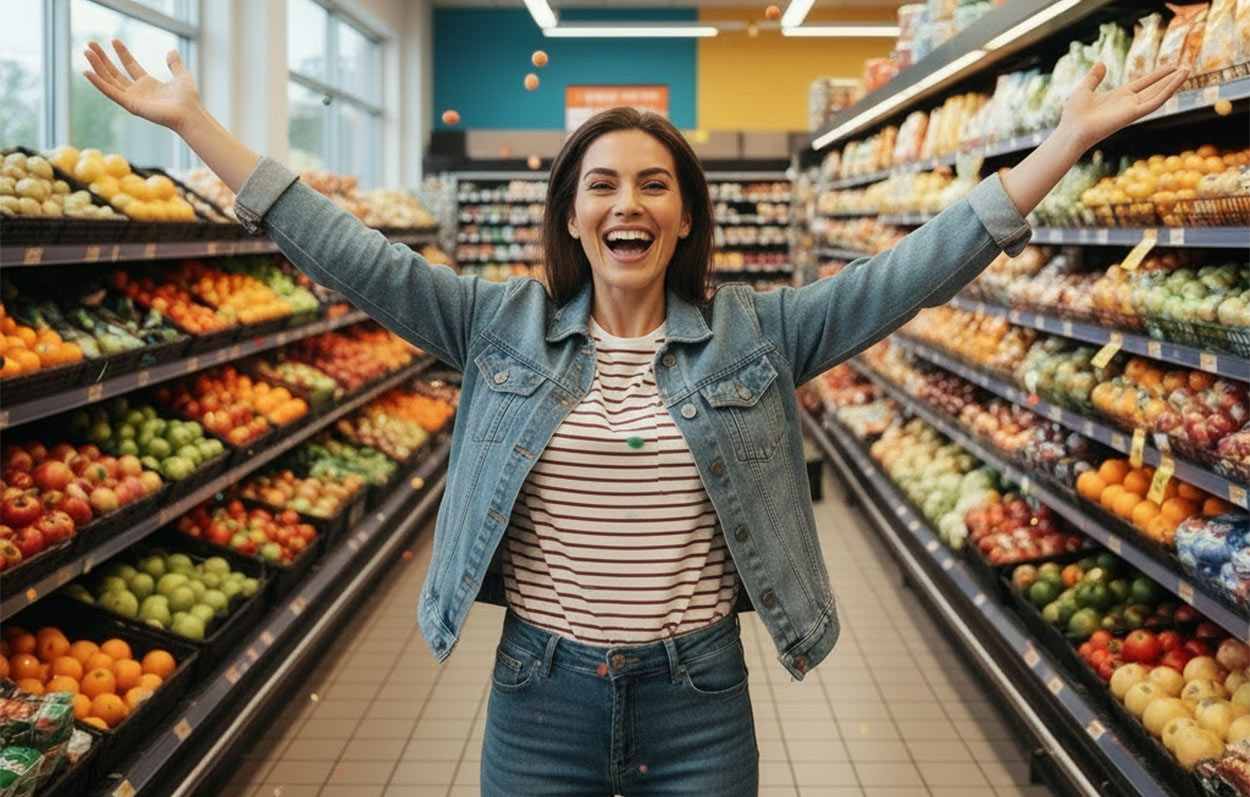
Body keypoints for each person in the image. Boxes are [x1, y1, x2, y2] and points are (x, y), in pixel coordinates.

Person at [83, 39, 1186, 796]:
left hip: (699, 693)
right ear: (571, 211)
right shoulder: (493, 324)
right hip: (537, 692)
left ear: (685, 215)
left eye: (655, 184)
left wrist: (1064, 141)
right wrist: (194, 123)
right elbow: (346, 249)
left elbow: (914, 268)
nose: (628, 203)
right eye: (603, 183)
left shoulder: (758, 333)